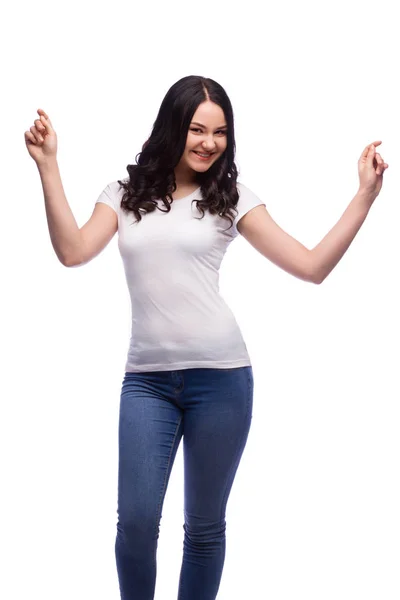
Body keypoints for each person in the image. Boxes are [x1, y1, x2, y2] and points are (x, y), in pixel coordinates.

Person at [24, 75, 388, 600]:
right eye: (197, 129)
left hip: (222, 380)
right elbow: (73, 250)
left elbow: (311, 266)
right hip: (146, 384)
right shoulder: (123, 195)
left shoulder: (230, 198)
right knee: (136, 527)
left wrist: (364, 197)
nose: (208, 143)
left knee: (204, 528)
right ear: (173, 127)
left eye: (219, 133)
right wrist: (49, 166)